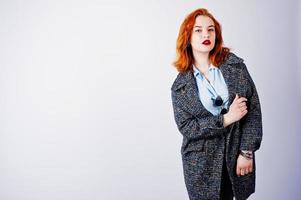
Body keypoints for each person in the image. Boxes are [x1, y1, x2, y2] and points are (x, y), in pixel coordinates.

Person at [171, 8, 263, 200]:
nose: (206, 34)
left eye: (211, 29)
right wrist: (226, 118)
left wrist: (246, 152)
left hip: (235, 155)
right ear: (187, 37)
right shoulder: (180, 87)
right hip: (200, 164)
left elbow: (253, 110)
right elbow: (188, 128)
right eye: (198, 30)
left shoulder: (235, 67)